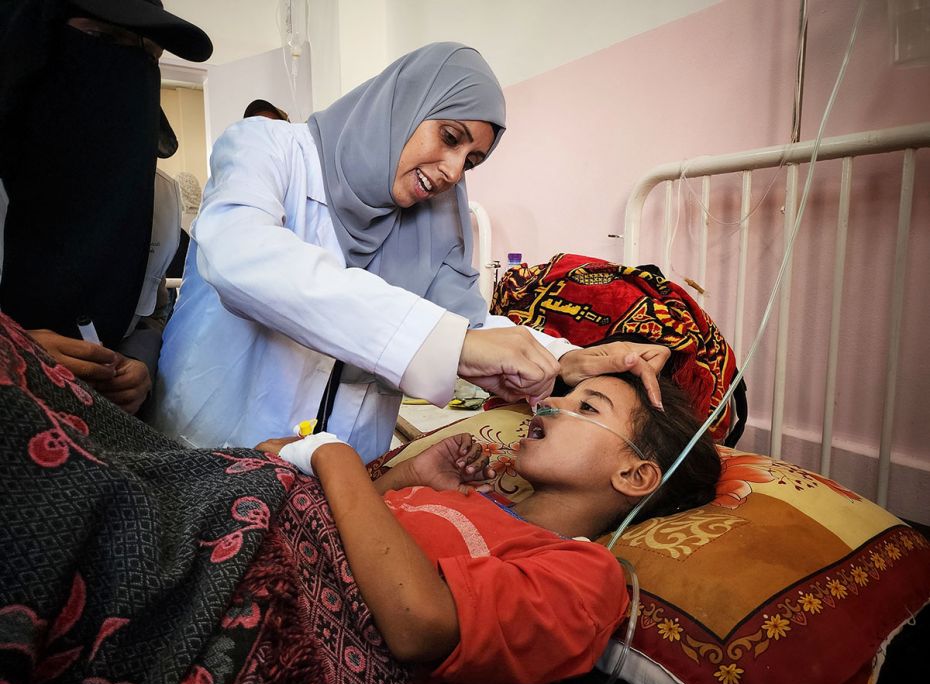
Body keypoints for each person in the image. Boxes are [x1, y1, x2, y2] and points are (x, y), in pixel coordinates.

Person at [154, 42, 670, 461]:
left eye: (471, 160)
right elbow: (243, 258)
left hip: (343, 474)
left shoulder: (430, 220)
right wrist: (456, 346)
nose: (452, 170)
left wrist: (567, 360)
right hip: (218, 443)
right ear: (403, 105)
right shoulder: (268, 149)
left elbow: (462, 325)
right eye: (449, 136)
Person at [257, 372, 722, 684]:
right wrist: (407, 476)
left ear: (634, 475)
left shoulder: (586, 576)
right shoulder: (472, 497)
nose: (552, 403)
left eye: (587, 407)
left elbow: (418, 624)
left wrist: (333, 458)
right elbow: (345, 532)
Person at [0, 0, 212, 415]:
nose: (129, 68)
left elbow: (152, 310)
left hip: (96, 437)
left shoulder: (157, 200)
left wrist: (140, 363)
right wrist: (13, 350)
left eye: (149, 54)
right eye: (102, 39)